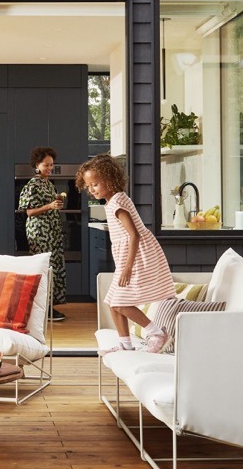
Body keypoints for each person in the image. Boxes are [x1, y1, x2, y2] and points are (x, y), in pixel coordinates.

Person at [76, 153, 174, 353]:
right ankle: (126, 344)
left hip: (138, 256)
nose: (91, 189)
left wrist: (128, 267)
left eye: (95, 184)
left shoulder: (118, 202)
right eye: (88, 186)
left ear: (109, 180)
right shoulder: (112, 201)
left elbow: (134, 235)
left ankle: (156, 333)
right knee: (113, 302)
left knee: (120, 303)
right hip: (129, 255)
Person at [18, 146, 67, 321]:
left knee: (51, 267)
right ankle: (42, 310)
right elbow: (29, 212)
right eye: (46, 165)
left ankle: (48, 307)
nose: (49, 168)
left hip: (51, 231)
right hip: (40, 232)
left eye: (51, 165)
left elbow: (50, 206)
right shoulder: (33, 185)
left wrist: (56, 206)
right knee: (43, 268)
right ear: (37, 165)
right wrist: (50, 206)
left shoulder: (48, 184)